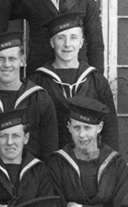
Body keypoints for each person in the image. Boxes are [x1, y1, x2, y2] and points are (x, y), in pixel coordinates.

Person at [28, 12, 118, 151]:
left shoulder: (96, 80)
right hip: (51, 163)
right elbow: (32, 131)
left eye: (73, 38)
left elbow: (110, 128)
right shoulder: (38, 80)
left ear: (81, 42)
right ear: (52, 42)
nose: (67, 44)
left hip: (89, 162)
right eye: (61, 38)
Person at [0, 31, 58, 162]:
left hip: (32, 177)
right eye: (0, 59)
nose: (6, 64)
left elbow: (49, 150)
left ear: (22, 60)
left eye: (12, 59)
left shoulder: (40, 99)